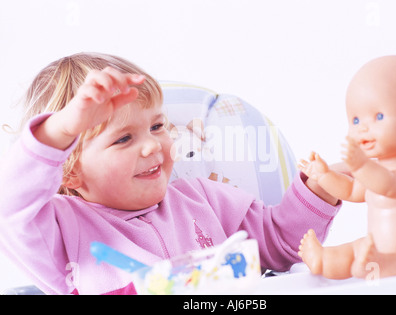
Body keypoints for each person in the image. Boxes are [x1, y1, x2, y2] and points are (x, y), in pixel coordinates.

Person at [0, 52, 341, 294]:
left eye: (158, 125)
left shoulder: (204, 198)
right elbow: (12, 208)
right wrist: (60, 130)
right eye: (123, 138)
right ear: (70, 172)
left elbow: (281, 242)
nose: (152, 146)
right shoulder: (61, 231)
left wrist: (320, 191)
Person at [298, 55, 396, 279]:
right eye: (356, 120)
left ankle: (382, 266)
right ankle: (324, 260)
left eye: (378, 116)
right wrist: (325, 176)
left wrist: (360, 165)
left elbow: (388, 184)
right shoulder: (371, 174)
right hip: (377, 248)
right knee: (353, 250)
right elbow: (350, 190)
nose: (363, 128)